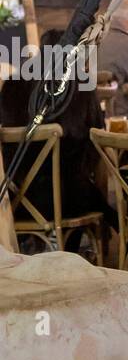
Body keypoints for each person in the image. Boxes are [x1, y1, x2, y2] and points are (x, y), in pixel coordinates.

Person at [1, 29, 114, 248]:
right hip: (67, 200)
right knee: (90, 191)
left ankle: (42, 243)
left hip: (17, 199)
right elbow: (97, 138)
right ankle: (71, 246)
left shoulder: (15, 82)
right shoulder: (80, 84)